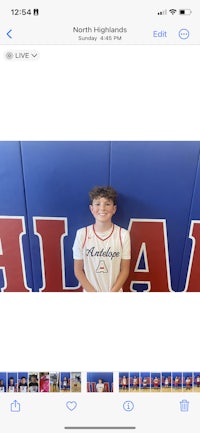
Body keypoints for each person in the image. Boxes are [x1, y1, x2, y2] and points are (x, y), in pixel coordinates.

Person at [73, 186, 131, 292]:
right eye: (98, 204)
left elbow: (125, 270)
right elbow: (78, 270)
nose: (102, 208)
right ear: (91, 208)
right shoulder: (82, 234)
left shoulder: (123, 234)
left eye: (107, 204)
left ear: (114, 209)